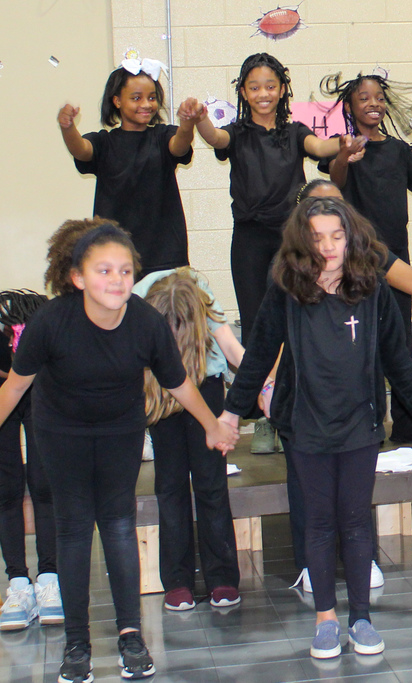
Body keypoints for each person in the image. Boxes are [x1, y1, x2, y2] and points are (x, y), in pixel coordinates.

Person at [0, 220, 238, 682]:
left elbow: (178, 383)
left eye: (125, 271)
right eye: (104, 271)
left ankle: (131, 637)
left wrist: (212, 426)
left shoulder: (145, 323)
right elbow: (14, 389)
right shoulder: (50, 322)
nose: (116, 280)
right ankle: (77, 644)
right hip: (61, 431)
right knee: (73, 530)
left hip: (118, 430)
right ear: (77, 277)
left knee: (117, 524)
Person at [220, 197, 412, 659]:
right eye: (318, 237)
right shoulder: (286, 287)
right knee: (319, 522)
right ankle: (325, 619)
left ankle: (361, 618)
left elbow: (397, 359)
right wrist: (230, 413)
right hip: (305, 424)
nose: (327, 246)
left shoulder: (372, 287)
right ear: (302, 241)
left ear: (351, 238)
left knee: (356, 520)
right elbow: (259, 354)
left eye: (336, 237)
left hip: (359, 424)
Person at [279, 180, 412, 594]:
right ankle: (310, 565)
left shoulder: (367, 259)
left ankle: (362, 563)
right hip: (305, 405)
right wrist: (265, 388)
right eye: (317, 215)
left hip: (355, 407)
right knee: (309, 491)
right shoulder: (289, 268)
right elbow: (270, 338)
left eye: (337, 215)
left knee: (354, 492)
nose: (328, 238)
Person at [320, 71, 412, 443]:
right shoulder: (343, 149)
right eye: (364, 98)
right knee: (362, 344)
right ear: (349, 107)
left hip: (397, 261)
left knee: (398, 343)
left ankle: (408, 426)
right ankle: (370, 423)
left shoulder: (399, 150)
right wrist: (345, 154)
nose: (373, 103)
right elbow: (336, 181)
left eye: (378, 98)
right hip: (358, 261)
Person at [191, 53, 342, 345]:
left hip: (291, 236)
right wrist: (200, 120)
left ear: (282, 90)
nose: (263, 94)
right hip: (250, 238)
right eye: (255, 87)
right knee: (255, 318)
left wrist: (345, 142)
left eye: (270, 87)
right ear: (243, 92)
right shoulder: (237, 133)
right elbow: (215, 138)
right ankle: (258, 374)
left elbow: (320, 148)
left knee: (296, 313)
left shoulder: (295, 132)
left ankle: (294, 372)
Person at [134, 268, 246, 612]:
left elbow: (232, 349)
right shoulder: (135, 303)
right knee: (170, 484)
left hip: (204, 380)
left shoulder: (203, 296)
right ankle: (177, 581)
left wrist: (265, 385)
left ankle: (222, 577)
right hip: (161, 390)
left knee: (211, 482)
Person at [57, 55, 197, 277]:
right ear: (117, 101)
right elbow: (81, 150)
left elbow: (179, 146)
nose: (146, 104)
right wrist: (67, 127)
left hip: (164, 251)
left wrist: (187, 123)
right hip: (115, 250)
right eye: (136, 98)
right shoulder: (104, 142)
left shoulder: (163, 136)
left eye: (152, 98)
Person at [0, 291, 62, 631]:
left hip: (39, 392)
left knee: (44, 484)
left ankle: (50, 579)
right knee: (6, 489)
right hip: (4, 395)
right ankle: (18, 585)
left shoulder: (41, 322)